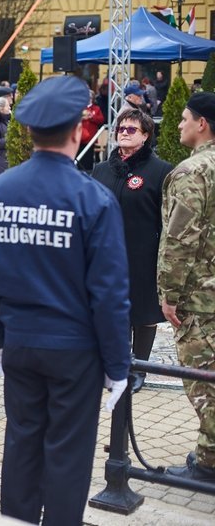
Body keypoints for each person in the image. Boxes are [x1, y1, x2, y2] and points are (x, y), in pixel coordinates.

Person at [0, 75, 131, 526]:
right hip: (75, 351)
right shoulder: (92, 198)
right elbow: (110, 293)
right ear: (79, 130)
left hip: (20, 343)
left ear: (28, 131)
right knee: (68, 454)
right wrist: (118, 366)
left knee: (22, 443)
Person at [92, 109, 172, 394]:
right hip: (107, 256)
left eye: (131, 129)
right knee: (114, 313)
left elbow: (169, 219)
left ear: (146, 135)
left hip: (143, 255)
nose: (124, 133)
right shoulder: (102, 169)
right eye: (121, 128)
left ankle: (139, 369)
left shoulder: (160, 170)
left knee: (144, 313)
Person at [157, 91, 215, 482]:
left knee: (203, 382)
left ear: (202, 124)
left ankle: (209, 462)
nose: (178, 125)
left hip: (198, 297)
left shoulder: (193, 172)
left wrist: (168, 295)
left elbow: (179, 240)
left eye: (183, 118)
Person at [78, 89, 105, 171]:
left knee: (89, 158)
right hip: (79, 137)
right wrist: (82, 117)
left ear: (92, 99)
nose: (88, 99)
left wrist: (92, 117)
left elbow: (101, 120)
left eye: (90, 97)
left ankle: (88, 172)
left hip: (91, 138)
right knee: (79, 156)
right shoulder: (79, 107)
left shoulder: (96, 108)